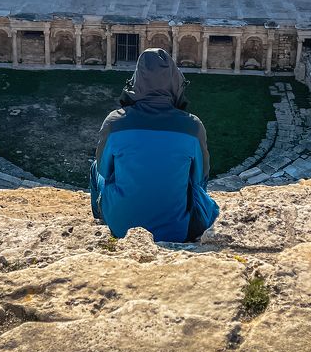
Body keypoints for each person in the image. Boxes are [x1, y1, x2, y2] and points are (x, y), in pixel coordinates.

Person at [90, 48, 219, 242]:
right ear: (175, 81)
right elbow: (199, 178)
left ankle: (102, 217)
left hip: (121, 226)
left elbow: (105, 171)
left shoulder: (114, 122)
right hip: (177, 230)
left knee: (95, 169)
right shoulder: (193, 126)